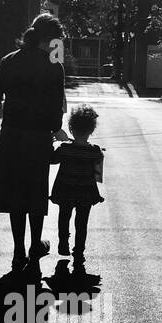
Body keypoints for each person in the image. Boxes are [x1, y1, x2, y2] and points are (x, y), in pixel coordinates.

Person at [0, 14, 66, 276]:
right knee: (34, 194)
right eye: (57, 42)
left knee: (16, 195)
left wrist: (3, 108)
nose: (59, 47)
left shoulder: (9, 60)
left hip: (11, 138)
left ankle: (18, 250)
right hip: (38, 139)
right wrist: (56, 131)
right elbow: (55, 114)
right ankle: (34, 247)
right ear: (48, 40)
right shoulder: (54, 67)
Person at [50, 104, 104, 271]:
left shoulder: (65, 149)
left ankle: (63, 242)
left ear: (71, 128)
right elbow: (98, 175)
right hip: (86, 192)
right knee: (82, 222)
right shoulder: (95, 152)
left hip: (65, 189)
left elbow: (52, 160)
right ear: (91, 130)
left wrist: (51, 142)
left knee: (64, 216)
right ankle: (78, 250)